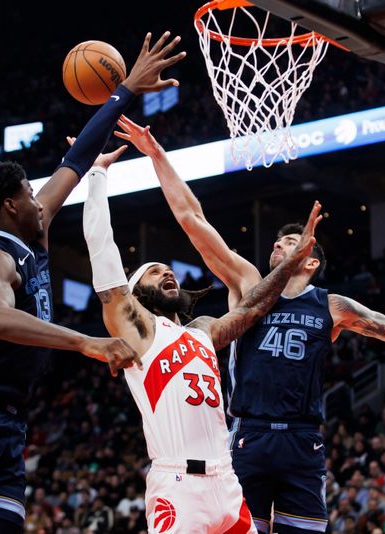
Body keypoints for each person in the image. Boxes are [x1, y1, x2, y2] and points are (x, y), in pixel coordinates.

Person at [114, 115, 385, 534]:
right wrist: (157, 155)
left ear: (310, 260)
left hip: (302, 440)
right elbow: (193, 220)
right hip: (247, 437)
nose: (278, 244)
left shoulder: (332, 306)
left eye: (290, 241)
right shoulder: (248, 285)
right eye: (277, 241)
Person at [0, 31, 185, 534]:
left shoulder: (36, 227)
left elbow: (74, 163)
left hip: (10, 423)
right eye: (32, 194)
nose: (43, 199)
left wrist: (126, 92)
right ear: (12, 206)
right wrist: (85, 342)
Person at [81, 150, 322, 533]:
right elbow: (101, 249)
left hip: (226, 483)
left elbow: (256, 305)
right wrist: (96, 175)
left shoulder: (203, 330)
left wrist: (293, 261)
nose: (167, 273)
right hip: (178, 486)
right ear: (134, 292)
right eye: (154, 272)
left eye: (169, 268)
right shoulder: (137, 329)